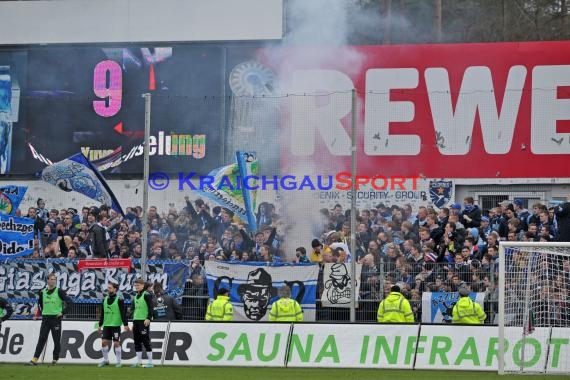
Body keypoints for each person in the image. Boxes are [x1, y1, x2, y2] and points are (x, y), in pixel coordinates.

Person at [29, 273, 72, 366]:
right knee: (42, 338)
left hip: (55, 318)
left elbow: (70, 303)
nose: (53, 281)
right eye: (51, 279)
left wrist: (62, 312)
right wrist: (37, 315)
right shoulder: (42, 292)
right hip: (45, 318)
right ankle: (35, 359)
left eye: (54, 279)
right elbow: (40, 305)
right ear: (47, 280)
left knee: (56, 340)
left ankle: (55, 358)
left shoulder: (60, 291)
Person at [98, 282, 129, 368]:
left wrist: (125, 324)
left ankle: (119, 362)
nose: (108, 289)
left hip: (115, 325)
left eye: (110, 288)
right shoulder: (104, 299)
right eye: (108, 288)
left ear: (115, 289)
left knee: (116, 343)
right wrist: (99, 325)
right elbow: (102, 314)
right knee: (103, 342)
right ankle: (106, 360)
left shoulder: (119, 300)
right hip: (107, 325)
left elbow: (123, 313)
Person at [130, 278, 154, 368]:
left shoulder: (146, 295)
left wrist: (148, 318)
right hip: (136, 321)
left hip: (144, 321)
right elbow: (135, 310)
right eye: (135, 285)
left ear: (143, 286)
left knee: (145, 341)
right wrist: (133, 322)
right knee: (137, 341)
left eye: (138, 285)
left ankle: (150, 362)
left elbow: (151, 307)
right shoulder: (135, 296)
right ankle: (139, 362)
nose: (136, 287)